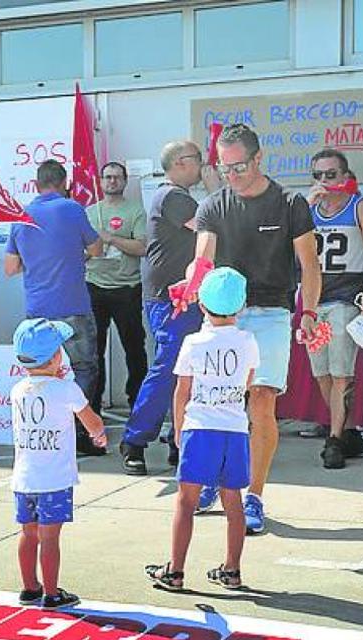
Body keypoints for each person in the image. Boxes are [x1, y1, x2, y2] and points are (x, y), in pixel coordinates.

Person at [192, 124, 321, 534]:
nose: (231, 174)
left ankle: (255, 497)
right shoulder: (213, 205)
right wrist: (191, 283)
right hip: (222, 315)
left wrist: (310, 313)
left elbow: (310, 266)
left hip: (272, 313)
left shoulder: (290, 203)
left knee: (261, 401)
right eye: (223, 167)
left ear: (260, 158)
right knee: (218, 405)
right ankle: (216, 480)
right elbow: (203, 260)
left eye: (239, 166)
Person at [145, 267, 257, 592]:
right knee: (233, 501)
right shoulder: (248, 341)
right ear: (241, 305)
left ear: (202, 306)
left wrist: (179, 429)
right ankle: (232, 570)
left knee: (186, 502)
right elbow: (247, 383)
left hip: (200, 428)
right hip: (235, 429)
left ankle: (175, 571)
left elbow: (182, 391)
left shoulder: (193, 342)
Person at [119, 140, 219, 476]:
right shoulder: (173, 197)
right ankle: (135, 439)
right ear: (180, 163)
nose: (202, 165)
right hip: (170, 299)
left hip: (183, 296)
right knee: (169, 369)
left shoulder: (175, 197)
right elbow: (212, 224)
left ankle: (177, 439)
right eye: (197, 161)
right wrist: (215, 185)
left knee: (187, 369)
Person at [4, 160, 105, 455]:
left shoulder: (21, 216)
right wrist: (76, 256)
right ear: (65, 184)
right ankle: (80, 433)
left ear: (36, 185)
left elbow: (10, 267)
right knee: (84, 368)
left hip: (37, 309)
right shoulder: (73, 209)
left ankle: (47, 429)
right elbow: (96, 249)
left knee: (41, 371)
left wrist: (35, 261)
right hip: (73, 304)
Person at [9, 318, 106, 611]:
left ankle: (29, 587)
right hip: (54, 480)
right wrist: (98, 434)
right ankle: (51, 593)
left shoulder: (17, 391)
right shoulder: (67, 390)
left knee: (28, 533)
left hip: (24, 479)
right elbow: (92, 420)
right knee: (50, 537)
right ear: (55, 357)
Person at [304, 150, 363, 469]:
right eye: (317, 175)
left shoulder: (361, 208)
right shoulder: (308, 210)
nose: (324, 181)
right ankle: (346, 430)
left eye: (330, 174)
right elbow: (290, 253)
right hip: (315, 303)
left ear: (344, 175)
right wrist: (303, 213)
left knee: (342, 373)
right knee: (322, 373)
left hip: (346, 299)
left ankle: (335, 439)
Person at [84, 161, 147, 412]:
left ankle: (138, 405)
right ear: (100, 181)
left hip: (127, 288)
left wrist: (111, 238)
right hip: (94, 287)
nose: (112, 181)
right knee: (93, 352)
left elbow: (142, 248)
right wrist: (93, 248)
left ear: (124, 181)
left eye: (117, 177)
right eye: (108, 177)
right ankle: (93, 407)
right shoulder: (89, 212)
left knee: (134, 349)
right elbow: (80, 251)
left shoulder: (136, 211)